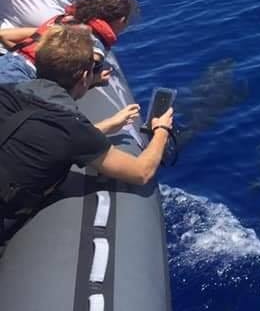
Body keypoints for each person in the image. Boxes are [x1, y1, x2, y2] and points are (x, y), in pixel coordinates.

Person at [0, 26, 173, 223]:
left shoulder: (6, 92)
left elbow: (37, 132)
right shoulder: (72, 128)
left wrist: (108, 124)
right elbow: (141, 172)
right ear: (84, 77)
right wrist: (161, 129)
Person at [0, 0, 139, 84]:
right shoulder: (95, 46)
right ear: (121, 20)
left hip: (6, 62)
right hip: (19, 80)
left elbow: (4, 35)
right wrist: (95, 79)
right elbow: (68, 81)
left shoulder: (62, 23)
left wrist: (27, 56)